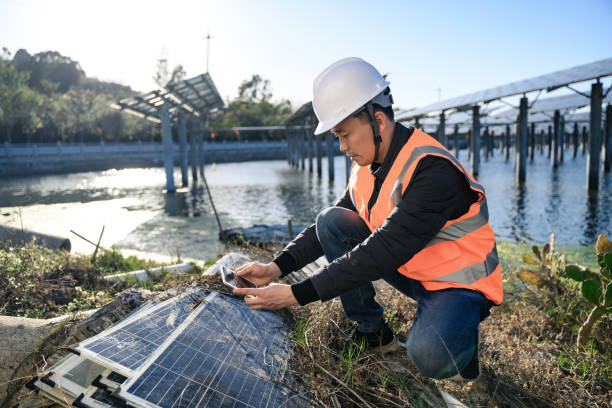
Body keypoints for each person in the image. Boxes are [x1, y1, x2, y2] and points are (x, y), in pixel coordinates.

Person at [232, 57, 503, 381]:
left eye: (345, 134)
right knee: (332, 220)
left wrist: (294, 294)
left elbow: (383, 249)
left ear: (378, 120)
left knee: (430, 354)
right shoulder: (366, 165)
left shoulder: (432, 170)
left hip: (460, 283)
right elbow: (329, 230)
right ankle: (374, 334)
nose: (343, 146)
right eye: (337, 137)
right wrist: (277, 267)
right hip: (414, 270)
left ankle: (464, 349)